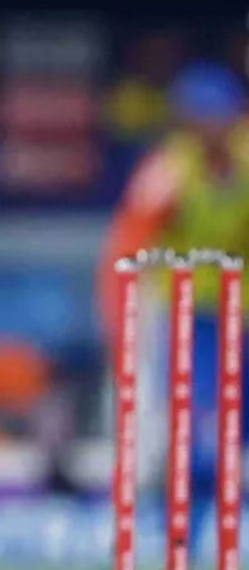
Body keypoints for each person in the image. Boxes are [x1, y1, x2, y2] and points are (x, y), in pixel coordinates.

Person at [99, 61, 249, 501]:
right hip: (187, 314)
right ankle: (188, 500)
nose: (209, 127)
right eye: (198, 117)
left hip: (242, 309)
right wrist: (118, 321)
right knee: (195, 412)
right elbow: (126, 247)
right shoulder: (168, 168)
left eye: (218, 115)